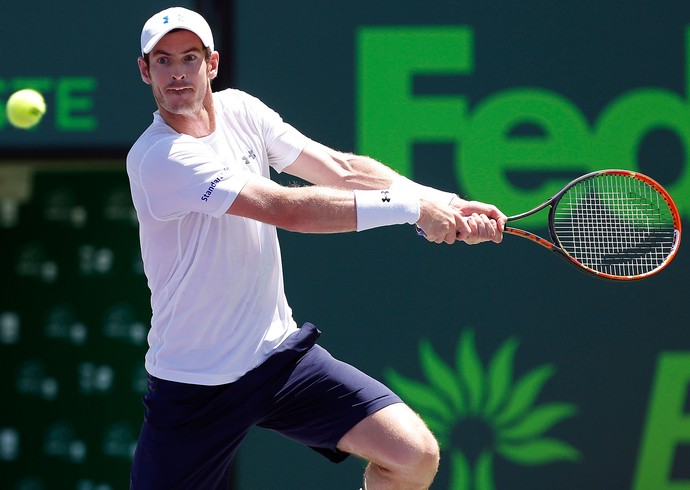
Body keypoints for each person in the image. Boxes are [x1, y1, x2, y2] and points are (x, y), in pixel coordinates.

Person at [126, 7, 506, 490]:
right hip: (194, 386)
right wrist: (412, 209)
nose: (177, 72)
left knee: (414, 455)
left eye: (189, 57)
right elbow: (285, 208)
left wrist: (444, 201)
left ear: (212, 64)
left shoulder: (242, 110)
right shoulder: (159, 157)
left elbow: (340, 169)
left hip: (277, 359)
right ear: (145, 70)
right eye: (162, 60)